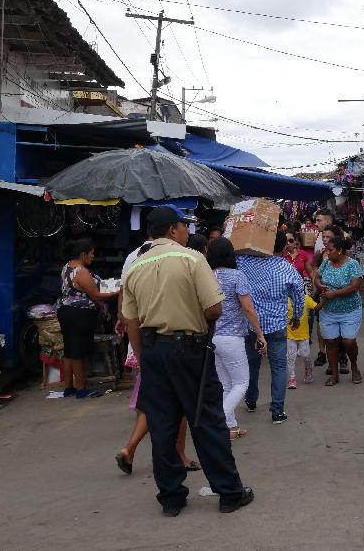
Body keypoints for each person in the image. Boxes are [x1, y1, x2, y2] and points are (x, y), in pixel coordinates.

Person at [121, 205, 253, 516]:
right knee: (206, 420)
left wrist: (143, 358)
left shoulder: (136, 266)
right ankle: (229, 492)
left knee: (162, 424)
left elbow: (131, 320)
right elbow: (214, 310)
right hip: (189, 349)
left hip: (154, 351)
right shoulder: (193, 259)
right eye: (184, 226)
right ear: (172, 231)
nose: (187, 232)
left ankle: (171, 497)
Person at [116, 227, 199, 475]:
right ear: (171, 231)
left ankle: (131, 450)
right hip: (165, 344)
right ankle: (176, 456)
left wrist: (139, 352)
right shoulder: (174, 261)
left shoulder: (135, 262)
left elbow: (127, 311)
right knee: (171, 405)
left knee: (154, 403)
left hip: (147, 346)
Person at [237, 233, 305, 424]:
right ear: (284, 247)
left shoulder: (244, 261)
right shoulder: (286, 268)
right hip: (277, 325)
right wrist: (297, 316)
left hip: (251, 324)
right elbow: (299, 294)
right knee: (279, 367)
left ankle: (251, 401)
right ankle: (277, 410)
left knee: (252, 364)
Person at [206, 237, 266, 440]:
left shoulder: (207, 276)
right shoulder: (237, 276)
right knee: (241, 383)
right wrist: (259, 333)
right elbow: (248, 308)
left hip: (212, 337)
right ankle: (218, 419)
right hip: (232, 337)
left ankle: (230, 428)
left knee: (226, 385)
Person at [57, 239, 119, 399]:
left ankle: (68, 387)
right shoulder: (81, 272)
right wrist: (118, 292)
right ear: (83, 254)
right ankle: (81, 389)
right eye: (91, 253)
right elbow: (96, 295)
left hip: (66, 311)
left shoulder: (67, 267)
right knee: (78, 351)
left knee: (70, 349)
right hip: (79, 313)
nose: (93, 256)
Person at [315, 235, 363, 386]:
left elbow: (355, 286)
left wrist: (333, 294)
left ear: (340, 250)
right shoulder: (326, 263)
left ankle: (354, 366)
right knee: (330, 342)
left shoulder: (352, 264)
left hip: (350, 310)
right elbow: (317, 277)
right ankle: (334, 375)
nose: (328, 253)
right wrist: (320, 286)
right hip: (329, 310)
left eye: (330, 250)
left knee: (348, 341)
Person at [311, 209, 336, 367]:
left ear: (328, 221)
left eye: (319, 220)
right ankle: (322, 352)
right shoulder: (318, 242)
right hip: (322, 291)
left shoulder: (343, 239)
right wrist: (315, 292)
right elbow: (315, 273)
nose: (316, 223)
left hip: (337, 292)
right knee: (321, 324)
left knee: (335, 325)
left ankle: (339, 355)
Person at [287, 292, 317, 388]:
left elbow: (316, 307)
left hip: (303, 335)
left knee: (305, 355)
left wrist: (324, 298)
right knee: (290, 357)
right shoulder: (284, 300)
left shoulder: (306, 299)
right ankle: (292, 378)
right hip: (289, 334)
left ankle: (308, 369)